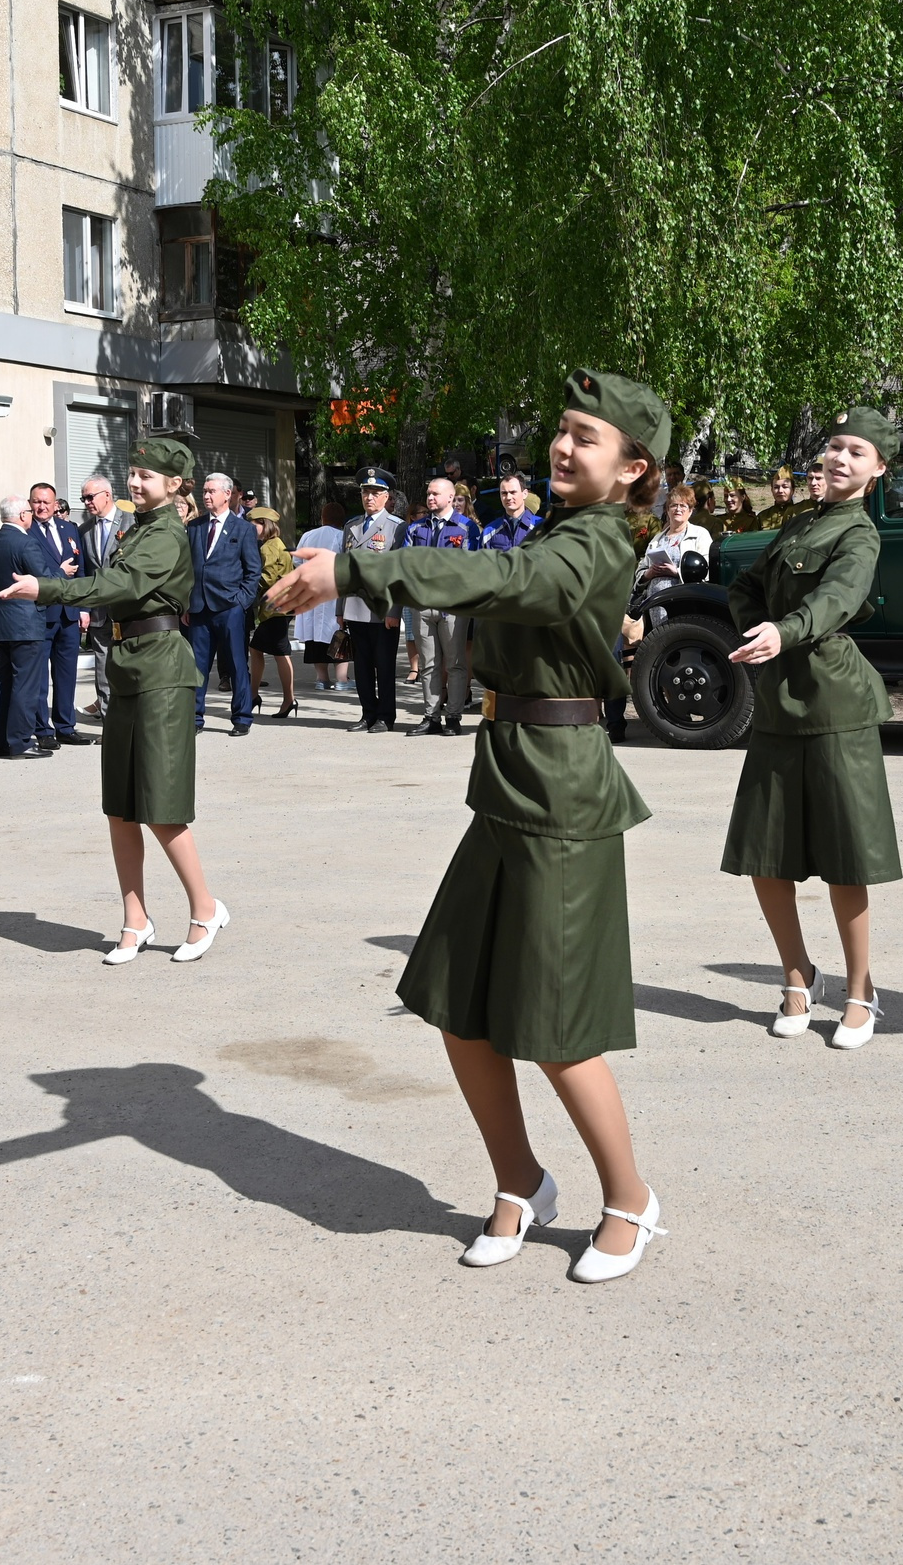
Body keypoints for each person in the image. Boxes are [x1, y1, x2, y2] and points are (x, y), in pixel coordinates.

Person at [268, 367, 668, 1284]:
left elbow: (504, 578)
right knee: (457, 1006)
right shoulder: (564, 525)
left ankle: (632, 1198)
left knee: (560, 1031)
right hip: (508, 777)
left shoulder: (596, 543)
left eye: (588, 437)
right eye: (562, 429)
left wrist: (359, 566)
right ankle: (521, 1180)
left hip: (562, 794)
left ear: (633, 467)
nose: (564, 446)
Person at [0, 437, 230, 964]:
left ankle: (206, 908)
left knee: (161, 807)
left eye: (147, 476)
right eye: (133, 473)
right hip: (128, 664)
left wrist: (47, 588)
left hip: (161, 672)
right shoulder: (140, 527)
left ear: (174, 486)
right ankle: (136, 920)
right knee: (121, 809)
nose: (134, 482)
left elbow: (116, 584)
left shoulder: (166, 533)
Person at [723, 410, 901, 1049]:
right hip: (778, 704)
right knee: (765, 858)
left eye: (857, 452)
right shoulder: (798, 525)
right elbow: (744, 585)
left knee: (843, 860)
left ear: (879, 469)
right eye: (834, 447)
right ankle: (798, 977)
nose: (840, 458)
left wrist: (786, 629)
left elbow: (837, 601)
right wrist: (757, 627)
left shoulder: (859, 534)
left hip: (835, 710)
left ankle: (861, 991)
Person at [0, 496, 60, 759]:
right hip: (27, 624)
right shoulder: (27, 543)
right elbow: (44, 582)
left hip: (1, 623)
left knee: (1, 682)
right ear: (23, 515)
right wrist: (61, 573)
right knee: (26, 684)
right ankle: (19, 743)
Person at [403, 476, 480, 735]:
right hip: (423, 605)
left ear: (450, 498)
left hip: (453, 607)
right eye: (428, 494)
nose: (430, 498)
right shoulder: (416, 529)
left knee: (455, 663)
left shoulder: (466, 527)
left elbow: (471, 567)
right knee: (429, 663)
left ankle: (454, 716)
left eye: (435, 493)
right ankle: (431, 716)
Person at [188, 472, 262, 735]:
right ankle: (194, 719)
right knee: (196, 668)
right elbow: (186, 568)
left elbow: (253, 572)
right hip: (198, 609)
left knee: (236, 665)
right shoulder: (195, 527)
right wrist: (186, 604)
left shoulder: (244, 529)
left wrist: (241, 602)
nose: (206, 495)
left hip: (229, 607)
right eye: (205, 491)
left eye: (211, 491)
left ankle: (242, 717)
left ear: (227, 494)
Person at [24, 483, 93, 747]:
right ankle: (43, 730)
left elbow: (83, 571)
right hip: (41, 613)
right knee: (40, 677)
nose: (41, 507)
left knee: (66, 675)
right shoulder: (26, 530)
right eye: (36, 502)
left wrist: (84, 608)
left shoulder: (69, 529)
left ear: (56, 505)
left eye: (46, 502)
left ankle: (66, 726)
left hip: (69, 614)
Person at [340, 470, 404, 732]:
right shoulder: (351, 526)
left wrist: (394, 610)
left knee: (384, 665)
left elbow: (399, 572)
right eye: (365, 492)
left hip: (381, 608)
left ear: (386, 497)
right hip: (354, 606)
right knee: (362, 666)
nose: (369, 497)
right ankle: (368, 713)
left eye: (375, 493)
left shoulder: (397, 527)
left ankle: (386, 716)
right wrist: (339, 607)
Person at [76, 478, 122, 719]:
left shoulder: (133, 523)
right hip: (99, 612)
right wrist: (83, 608)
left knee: (128, 667)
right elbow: (85, 573)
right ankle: (108, 721)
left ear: (107, 494)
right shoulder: (84, 531)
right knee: (103, 667)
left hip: (127, 611)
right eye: (83, 498)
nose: (86, 503)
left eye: (89, 497)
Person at [245, 505, 296, 718]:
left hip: (277, 608)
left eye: (254, 524)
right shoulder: (272, 544)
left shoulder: (269, 547)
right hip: (277, 608)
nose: (251, 528)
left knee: (280, 653)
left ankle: (287, 699)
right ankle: (254, 695)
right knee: (258, 649)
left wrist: (245, 580)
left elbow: (267, 577)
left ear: (264, 525)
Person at [291, 500, 346, 690]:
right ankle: (342, 680)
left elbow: (297, 560)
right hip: (334, 590)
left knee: (315, 635)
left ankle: (322, 679)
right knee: (339, 634)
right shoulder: (342, 536)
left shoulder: (308, 535)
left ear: (323, 518)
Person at [637, 484, 716, 601]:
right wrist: (649, 573)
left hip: (685, 601)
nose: (678, 509)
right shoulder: (657, 539)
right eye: (674, 505)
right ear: (668, 510)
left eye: (683, 506)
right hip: (654, 603)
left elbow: (708, 569)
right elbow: (641, 569)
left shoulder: (700, 534)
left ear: (690, 511)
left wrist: (676, 572)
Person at [481, 473, 540, 554]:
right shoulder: (489, 531)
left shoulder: (540, 527)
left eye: (513, 492)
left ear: (525, 494)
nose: (508, 497)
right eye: (504, 493)